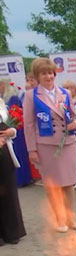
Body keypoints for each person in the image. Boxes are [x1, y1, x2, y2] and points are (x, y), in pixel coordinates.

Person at [23, 58, 76, 232]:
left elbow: (75, 115)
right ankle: (59, 220)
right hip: (46, 145)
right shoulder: (30, 96)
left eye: (50, 73)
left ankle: (71, 218)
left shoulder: (65, 93)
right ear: (37, 76)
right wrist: (31, 149)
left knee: (69, 183)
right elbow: (28, 125)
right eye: (43, 73)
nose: (48, 76)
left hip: (68, 143)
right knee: (53, 184)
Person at [0, 90, 25, 245]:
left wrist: (11, 131)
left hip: (5, 152)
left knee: (8, 190)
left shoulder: (2, 104)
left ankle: (12, 231)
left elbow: (12, 126)